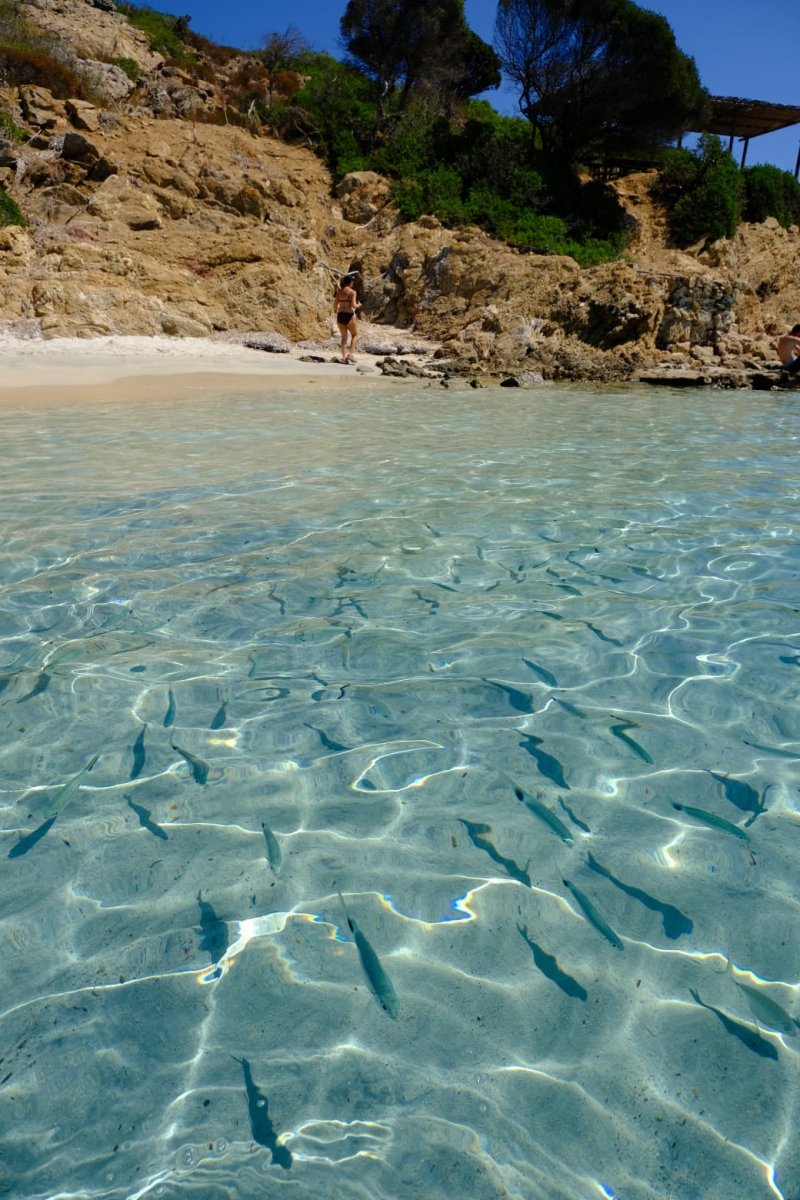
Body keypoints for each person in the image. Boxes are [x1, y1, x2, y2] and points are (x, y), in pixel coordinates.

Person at [333, 272, 359, 364]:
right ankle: (350, 355)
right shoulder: (352, 292)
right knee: (355, 335)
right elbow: (354, 305)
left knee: (344, 338)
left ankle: (344, 357)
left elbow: (335, 305)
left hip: (340, 315)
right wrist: (360, 305)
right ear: (350, 282)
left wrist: (337, 310)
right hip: (349, 315)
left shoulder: (339, 292)